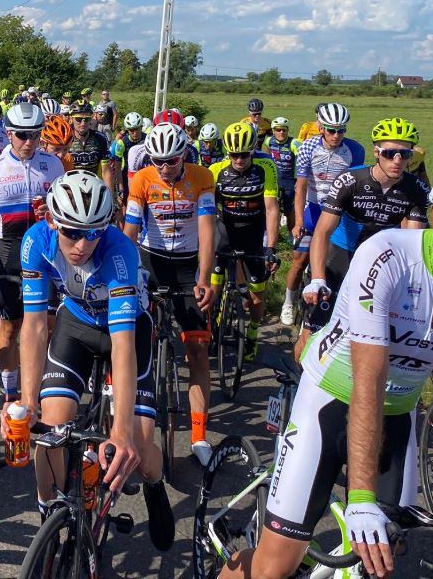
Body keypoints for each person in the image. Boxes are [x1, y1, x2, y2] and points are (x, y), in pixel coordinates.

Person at [219, 154, 433, 579]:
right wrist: (360, 498)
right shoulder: (387, 256)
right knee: (275, 566)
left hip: (397, 415)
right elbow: (369, 380)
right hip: (330, 401)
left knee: (382, 559)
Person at [17, 170, 175, 551]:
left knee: (138, 452)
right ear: (52, 221)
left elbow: (122, 345)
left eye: (93, 233)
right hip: (77, 324)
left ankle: (155, 484)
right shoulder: (35, 242)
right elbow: (34, 325)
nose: (82, 244)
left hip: (127, 330)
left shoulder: (120, 253)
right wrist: (27, 402)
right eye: (72, 232)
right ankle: (53, 520)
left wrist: (120, 432)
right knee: (50, 432)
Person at [296, 117, 430, 359]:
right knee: (313, 330)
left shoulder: (416, 189)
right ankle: (299, 374)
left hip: (379, 262)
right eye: (389, 153)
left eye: (404, 154)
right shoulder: (351, 180)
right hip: (340, 255)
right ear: (376, 152)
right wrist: (317, 278)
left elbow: (413, 242)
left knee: (371, 337)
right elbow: (323, 232)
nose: (397, 161)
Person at [123, 123, 217, 466]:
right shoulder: (142, 179)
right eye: (157, 160)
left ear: (184, 155)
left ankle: (199, 436)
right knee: (130, 340)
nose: (164, 167)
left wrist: (204, 278)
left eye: (172, 160)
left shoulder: (202, 177)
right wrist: (126, 274)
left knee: (198, 351)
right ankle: (120, 419)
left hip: (188, 265)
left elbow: (207, 229)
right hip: (152, 262)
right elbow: (130, 231)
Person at [0, 103, 64, 407]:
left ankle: (38, 390)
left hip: (45, 251)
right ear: (9, 133)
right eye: (23, 135)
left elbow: (66, 212)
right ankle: (11, 393)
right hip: (9, 250)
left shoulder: (53, 165)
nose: (29, 142)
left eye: (35, 135)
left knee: (47, 325)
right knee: (10, 327)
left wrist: (52, 212)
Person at [282, 103, 365, 326]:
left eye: (341, 130)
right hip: (313, 207)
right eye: (331, 130)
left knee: (333, 263)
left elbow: (355, 186)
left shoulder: (355, 150)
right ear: (321, 129)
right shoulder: (308, 147)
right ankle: (288, 302)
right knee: (299, 260)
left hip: (339, 211)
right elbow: (300, 186)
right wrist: (298, 221)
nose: (336, 135)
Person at [210, 123, 280, 363]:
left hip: (253, 233)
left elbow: (271, 209)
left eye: (244, 154)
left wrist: (271, 248)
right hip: (225, 231)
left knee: (257, 296)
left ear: (252, 151)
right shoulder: (216, 170)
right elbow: (207, 212)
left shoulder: (265, 167)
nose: (239, 160)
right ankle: (213, 324)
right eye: (233, 155)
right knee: (213, 287)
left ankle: (252, 333)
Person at [69, 102, 116, 198]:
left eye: (86, 119)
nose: (83, 123)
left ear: (91, 119)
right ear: (71, 119)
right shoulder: (65, 137)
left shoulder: (100, 138)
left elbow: (106, 172)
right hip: (70, 188)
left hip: (93, 188)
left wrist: (110, 197)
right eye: (78, 119)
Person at [265, 116, 299, 233]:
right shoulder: (269, 141)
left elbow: (302, 162)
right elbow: (266, 156)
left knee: (290, 210)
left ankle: (291, 234)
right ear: (273, 130)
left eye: (284, 130)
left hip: (290, 180)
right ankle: (273, 233)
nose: (281, 132)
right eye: (278, 130)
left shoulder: (294, 143)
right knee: (273, 208)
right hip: (275, 179)